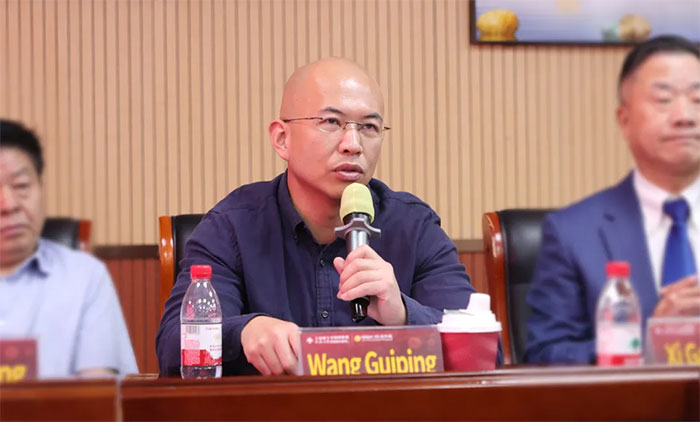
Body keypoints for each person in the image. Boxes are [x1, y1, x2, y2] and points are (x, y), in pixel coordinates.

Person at [157, 57, 477, 376]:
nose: (353, 145)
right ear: (282, 139)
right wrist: (244, 332)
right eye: (331, 122)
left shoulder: (414, 226)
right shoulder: (233, 226)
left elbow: (480, 352)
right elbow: (172, 348)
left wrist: (404, 315)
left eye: (369, 127)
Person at [526, 35, 700, 364]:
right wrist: (650, 341)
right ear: (624, 120)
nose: (685, 116)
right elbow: (546, 357)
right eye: (664, 99)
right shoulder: (572, 232)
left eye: (697, 99)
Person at [0, 119, 138, 377]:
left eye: (21, 186)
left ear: (41, 187)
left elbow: (100, 392)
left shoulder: (84, 278)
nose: (9, 205)